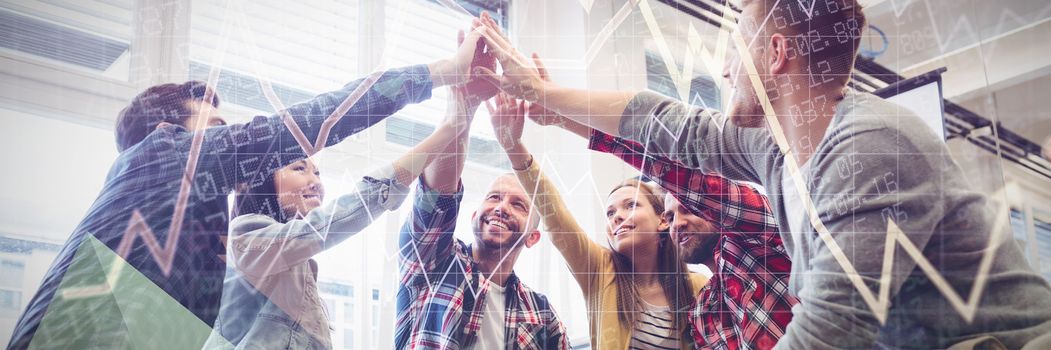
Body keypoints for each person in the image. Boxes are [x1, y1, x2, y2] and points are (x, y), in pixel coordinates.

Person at [473, 1, 1051, 349]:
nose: (724, 68)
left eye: (734, 49)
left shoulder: (869, 145)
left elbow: (832, 329)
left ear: (775, 54)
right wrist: (546, 98)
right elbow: (669, 126)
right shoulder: (775, 152)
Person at [8, 20, 497, 349]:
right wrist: (447, 73)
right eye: (218, 128)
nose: (232, 141)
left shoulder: (184, 226)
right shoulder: (165, 154)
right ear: (167, 130)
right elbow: (316, 118)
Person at [202, 87, 472, 349]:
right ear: (259, 181)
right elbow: (330, 222)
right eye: (299, 168)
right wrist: (449, 127)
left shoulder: (298, 270)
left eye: (318, 174)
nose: (315, 182)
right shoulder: (246, 239)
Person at [394, 23, 568, 347]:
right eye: (493, 198)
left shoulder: (542, 315)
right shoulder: (435, 262)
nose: (501, 207)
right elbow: (437, 198)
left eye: (518, 204)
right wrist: (462, 111)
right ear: (474, 216)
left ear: (533, 237)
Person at [491, 93, 707, 349]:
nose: (617, 216)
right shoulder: (600, 271)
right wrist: (513, 146)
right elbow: (557, 219)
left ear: (662, 221)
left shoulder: (699, 287)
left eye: (631, 205)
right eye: (610, 213)